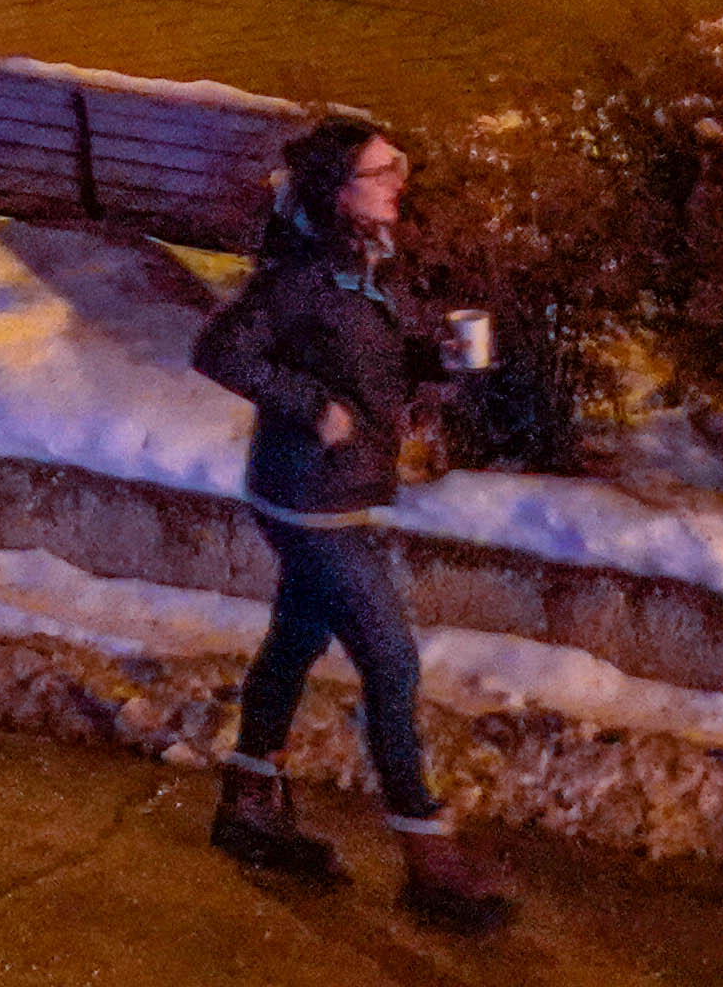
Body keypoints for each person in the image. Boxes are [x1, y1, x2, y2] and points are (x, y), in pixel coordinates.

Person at [190, 110, 506, 922]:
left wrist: (433, 362)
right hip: (309, 498)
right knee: (392, 663)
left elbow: (368, 355)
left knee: (295, 640)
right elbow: (221, 350)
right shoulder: (297, 274)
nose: (400, 177)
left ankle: (247, 805)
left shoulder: (365, 262)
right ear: (338, 193)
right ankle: (428, 860)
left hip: (335, 491)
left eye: (397, 160)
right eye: (381, 169)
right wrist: (312, 407)